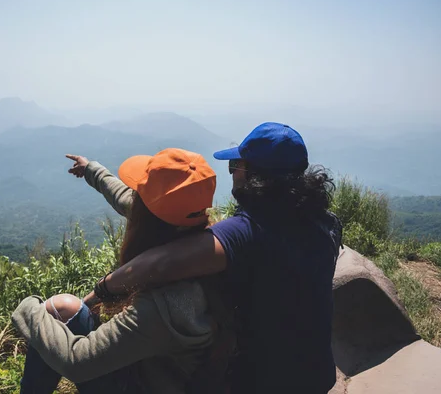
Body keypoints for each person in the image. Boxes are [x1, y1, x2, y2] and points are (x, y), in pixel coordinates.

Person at [83, 122, 343, 393]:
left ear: (253, 176)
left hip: (265, 380)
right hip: (318, 374)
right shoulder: (328, 223)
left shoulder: (246, 232)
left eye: (235, 167)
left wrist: (101, 291)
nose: (232, 175)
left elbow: (160, 263)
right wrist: (95, 172)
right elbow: (144, 207)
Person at [12, 148, 232, 394]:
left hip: (141, 385)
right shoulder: (202, 243)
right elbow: (124, 197)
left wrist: (28, 308)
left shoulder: (169, 305)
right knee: (66, 309)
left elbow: (76, 362)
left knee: (57, 309)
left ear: (147, 215)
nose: (134, 196)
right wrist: (90, 169)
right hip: (153, 366)